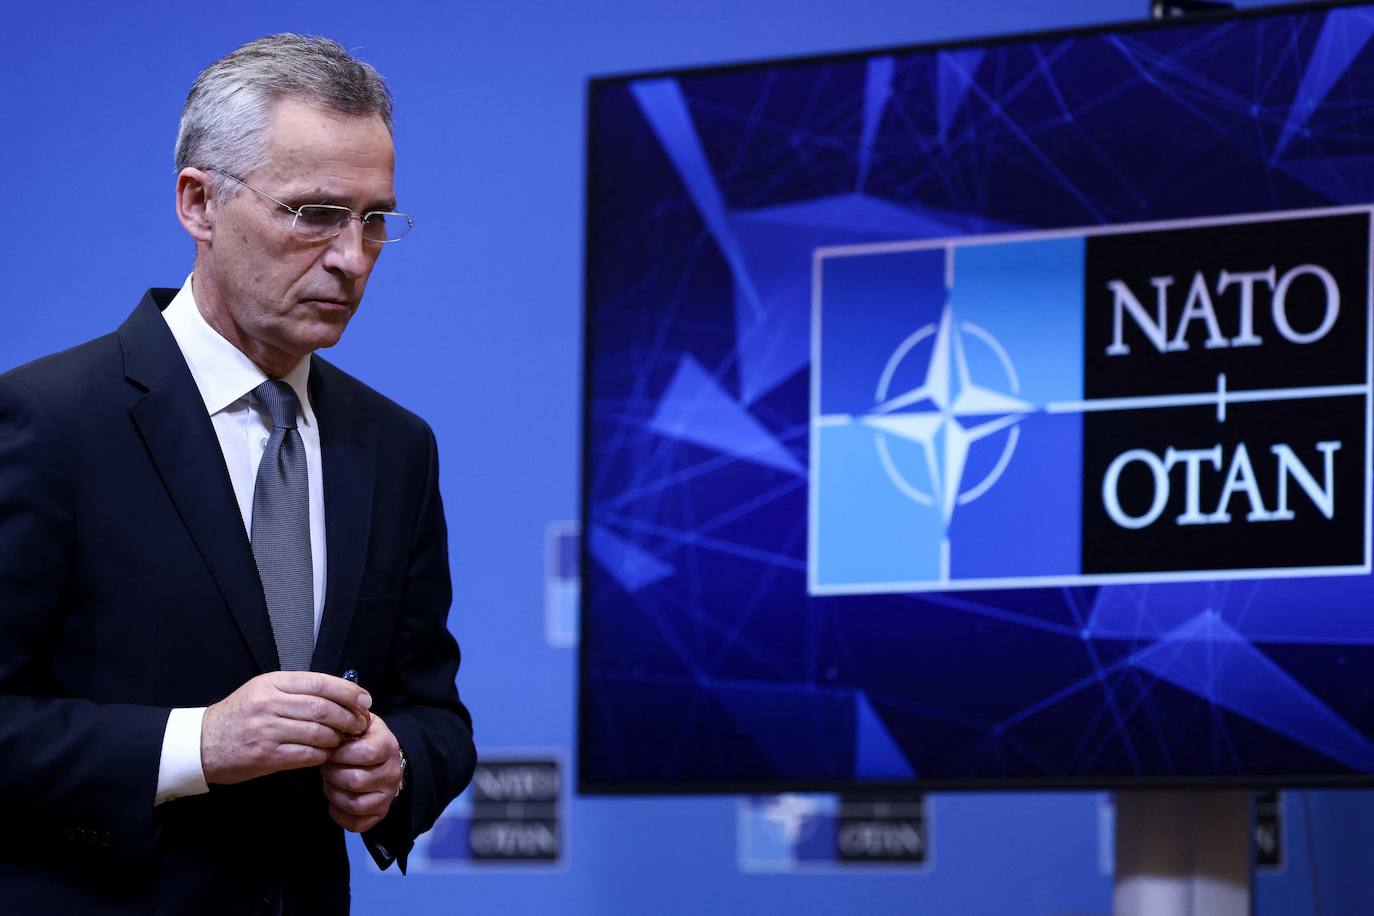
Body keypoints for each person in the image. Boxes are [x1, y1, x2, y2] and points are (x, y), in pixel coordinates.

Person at [0, 34, 476, 915]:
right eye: (315, 214)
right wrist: (198, 745)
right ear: (199, 202)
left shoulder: (394, 446)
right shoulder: (47, 421)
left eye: (374, 219)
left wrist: (399, 764)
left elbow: (433, 709)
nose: (352, 257)